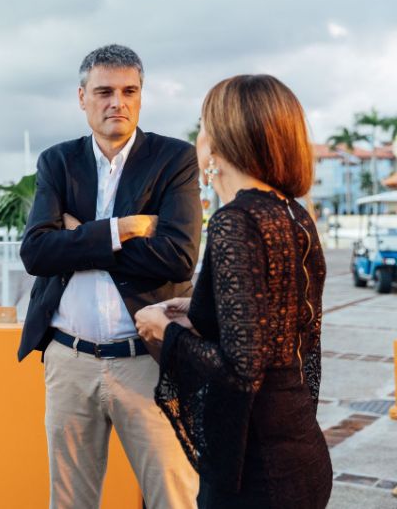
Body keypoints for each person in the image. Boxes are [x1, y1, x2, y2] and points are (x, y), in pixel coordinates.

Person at [135, 74, 332, 508]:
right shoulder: (293, 214)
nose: (198, 137)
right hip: (301, 448)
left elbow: (242, 371)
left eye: (202, 125)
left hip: (259, 471)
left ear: (221, 142)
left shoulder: (235, 220)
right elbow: (281, 317)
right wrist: (201, 304)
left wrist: (163, 331)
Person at [19, 44, 202, 508]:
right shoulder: (57, 161)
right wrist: (121, 231)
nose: (117, 102)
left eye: (129, 91)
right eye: (104, 92)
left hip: (148, 361)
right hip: (69, 360)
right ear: (82, 97)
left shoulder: (174, 158)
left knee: (173, 497)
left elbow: (178, 257)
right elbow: (36, 252)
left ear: (140, 95)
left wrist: (81, 238)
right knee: (70, 502)